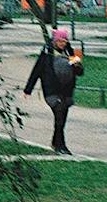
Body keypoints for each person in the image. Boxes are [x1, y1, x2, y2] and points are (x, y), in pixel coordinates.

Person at [23, 24, 85, 155]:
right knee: (59, 113)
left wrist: (77, 64)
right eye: (60, 41)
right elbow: (36, 71)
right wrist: (28, 89)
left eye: (65, 41)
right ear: (55, 41)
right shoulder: (47, 53)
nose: (62, 43)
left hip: (67, 91)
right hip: (51, 90)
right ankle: (61, 145)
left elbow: (79, 72)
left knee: (62, 117)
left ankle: (55, 141)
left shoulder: (70, 52)